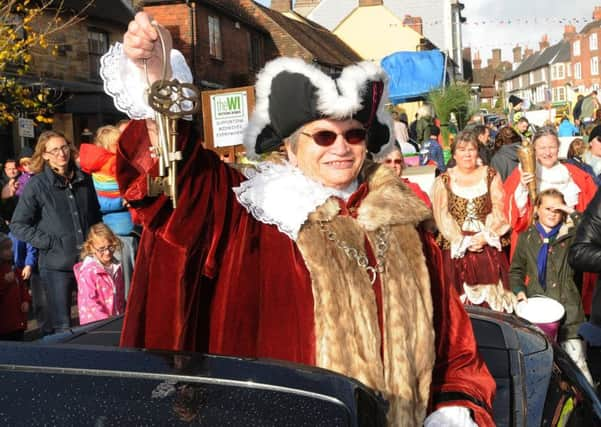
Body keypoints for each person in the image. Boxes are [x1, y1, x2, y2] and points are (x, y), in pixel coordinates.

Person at [101, 13, 497, 426]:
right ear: (290, 147)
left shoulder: (405, 225)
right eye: (324, 135)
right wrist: (156, 77)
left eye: (354, 135)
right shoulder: (251, 214)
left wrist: (452, 410)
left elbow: (455, 346)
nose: (340, 147)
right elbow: (178, 181)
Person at [10, 131, 102, 333]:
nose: (61, 153)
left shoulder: (84, 180)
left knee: (95, 322)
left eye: (64, 147)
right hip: (56, 266)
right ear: (44, 155)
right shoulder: (37, 185)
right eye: (54, 150)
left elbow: (95, 217)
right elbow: (18, 224)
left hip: (87, 263)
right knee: (61, 327)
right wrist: (49, 242)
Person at [510, 189, 593, 384]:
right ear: (537, 209)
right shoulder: (527, 238)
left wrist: (568, 209)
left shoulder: (571, 235)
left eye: (557, 210)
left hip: (570, 311)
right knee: (543, 367)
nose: (552, 213)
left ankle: (590, 410)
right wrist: (519, 291)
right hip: (539, 310)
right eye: (547, 208)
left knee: (578, 363)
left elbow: (591, 228)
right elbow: (516, 270)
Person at [432, 130, 514, 311]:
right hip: (457, 249)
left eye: (471, 149)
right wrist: (463, 241)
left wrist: (486, 236)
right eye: (462, 150)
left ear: (478, 152)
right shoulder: (443, 181)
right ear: (454, 154)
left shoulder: (490, 175)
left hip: (487, 245)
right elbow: (442, 216)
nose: (467, 154)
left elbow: (499, 207)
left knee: (494, 303)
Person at [504, 126, 597, 256]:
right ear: (534, 150)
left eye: (552, 147)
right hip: (534, 246)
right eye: (542, 148)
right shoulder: (521, 174)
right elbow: (512, 216)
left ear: (559, 148)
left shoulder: (575, 175)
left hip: (568, 245)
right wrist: (523, 188)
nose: (547, 152)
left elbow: (592, 211)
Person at [79, 125, 137, 296]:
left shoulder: (107, 166)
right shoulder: (106, 168)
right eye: (116, 144)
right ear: (106, 145)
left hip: (127, 229)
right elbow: (102, 202)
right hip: (118, 232)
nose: (121, 147)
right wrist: (125, 199)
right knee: (124, 284)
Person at [74, 223, 125, 325]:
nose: (107, 252)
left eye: (110, 247)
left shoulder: (116, 267)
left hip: (115, 321)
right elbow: (91, 304)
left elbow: (120, 295)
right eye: (102, 249)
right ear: (91, 248)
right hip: (96, 326)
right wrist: (108, 322)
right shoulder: (88, 272)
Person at [378, 143, 431, 207]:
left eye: (397, 161)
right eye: (388, 161)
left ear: (402, 164)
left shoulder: (414, 189)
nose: (393, 165)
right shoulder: (372, 190)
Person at [0, 233, 30, 341]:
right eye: (6, 249)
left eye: (10, 248)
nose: (11, 251)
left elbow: (23, 287)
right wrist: (4, 282)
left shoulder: (14, 269)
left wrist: (25, 300)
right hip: (4, 324)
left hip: (17, 321)